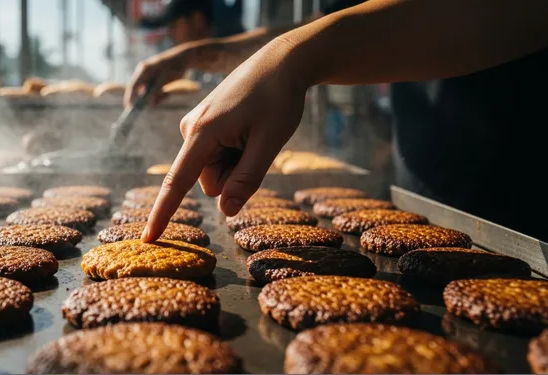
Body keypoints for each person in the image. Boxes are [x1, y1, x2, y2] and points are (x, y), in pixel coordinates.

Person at [129, 0, 548, 242]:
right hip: (425, 192)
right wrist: (197, 55)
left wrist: (295, 58)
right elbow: (350, 21)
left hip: (521, 191)